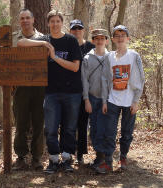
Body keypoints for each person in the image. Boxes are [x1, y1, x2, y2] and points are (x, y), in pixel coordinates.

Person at [18, 10, 82, 174]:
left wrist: (54, 56)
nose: (55, 24)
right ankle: (54, 160)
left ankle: (67, 159)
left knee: (69, 128)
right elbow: (21, 43)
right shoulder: (45, 39)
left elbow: (75, 67)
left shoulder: (71, 40)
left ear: (62, 23)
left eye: (57, 21)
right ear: (48, 24)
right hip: (51, 92)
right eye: (51, 21)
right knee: (51, 129)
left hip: (72, 92)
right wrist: (42, 44)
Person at [97, 25, 145, 173]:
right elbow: (105, 80)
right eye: (117, 35)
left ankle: (123, 157)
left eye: (123, 35)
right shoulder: (109, 57)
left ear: (128, 38)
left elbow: (140, 79)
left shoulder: (134, 56)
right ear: (112, 39)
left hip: (129, 101)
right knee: (109, 132)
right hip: (112, 100)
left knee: (127, 132)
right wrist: (104, 100)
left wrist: (136, 101)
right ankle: (108, 162)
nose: (120, 38)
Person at [12, 9, 45, 170]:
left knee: (39, 123)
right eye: (22, 18)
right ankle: (20, 157)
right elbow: (4, 61)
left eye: (27, 18)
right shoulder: (12, 38)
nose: (25, 21)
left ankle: (37, 157)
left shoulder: (44, 38)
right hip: (20, 88)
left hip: (40, 88)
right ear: (19, 21)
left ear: (33, 20)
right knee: (21, 123)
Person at [81, 29, 109, 169]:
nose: (99, 41)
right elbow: (84, 81)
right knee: (94, 128)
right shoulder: (87, 58)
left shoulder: (111, 58)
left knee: (104, 128)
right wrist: (86, 100)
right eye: (96, 39)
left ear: (106, 41)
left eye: (102, 39)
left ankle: (103, 158)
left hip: (108, 99)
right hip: (92, 97)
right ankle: (99, 157)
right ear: (93, 41)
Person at [69, 19, 95, 163]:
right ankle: (69, 152)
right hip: (70, 91)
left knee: (83, 124)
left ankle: (80, 153)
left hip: (87, 92)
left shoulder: (91, 47)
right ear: (70, 31)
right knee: (69, 123)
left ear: (84, 31)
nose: (77, 31)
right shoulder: (68, 45)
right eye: (74, 29)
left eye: (79, 28)